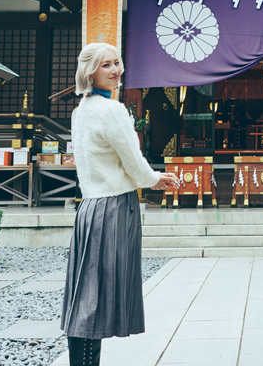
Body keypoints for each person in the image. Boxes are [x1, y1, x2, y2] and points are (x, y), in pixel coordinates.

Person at [60, 42, 179, 366]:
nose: (116, 70)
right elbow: (133, 162)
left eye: (117, 63)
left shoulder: (80, 110)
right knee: (94, 300)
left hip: (90, 207)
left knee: (86, 294)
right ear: (90, 72)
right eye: (106, 65)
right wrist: (156, 178)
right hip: (114, 207)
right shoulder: (112, 110)